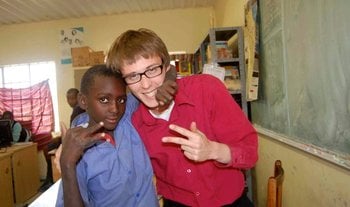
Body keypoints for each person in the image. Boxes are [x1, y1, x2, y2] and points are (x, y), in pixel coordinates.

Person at [105, 28, 258, 207]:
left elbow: (251, 153)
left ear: (166, 67)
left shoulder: (207, 90)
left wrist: (213, 150)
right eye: (133, 76)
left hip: (232, 201)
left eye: (152, 69)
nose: (146, 84)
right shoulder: (132, 121)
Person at [56, 64, 159, 206]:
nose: (115, 109)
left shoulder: (127, 117)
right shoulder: (79, 152)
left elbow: (163, 74)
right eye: (104, 99)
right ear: (83, 101)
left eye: (121, 100)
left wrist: (169, 80)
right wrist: (66, 163)